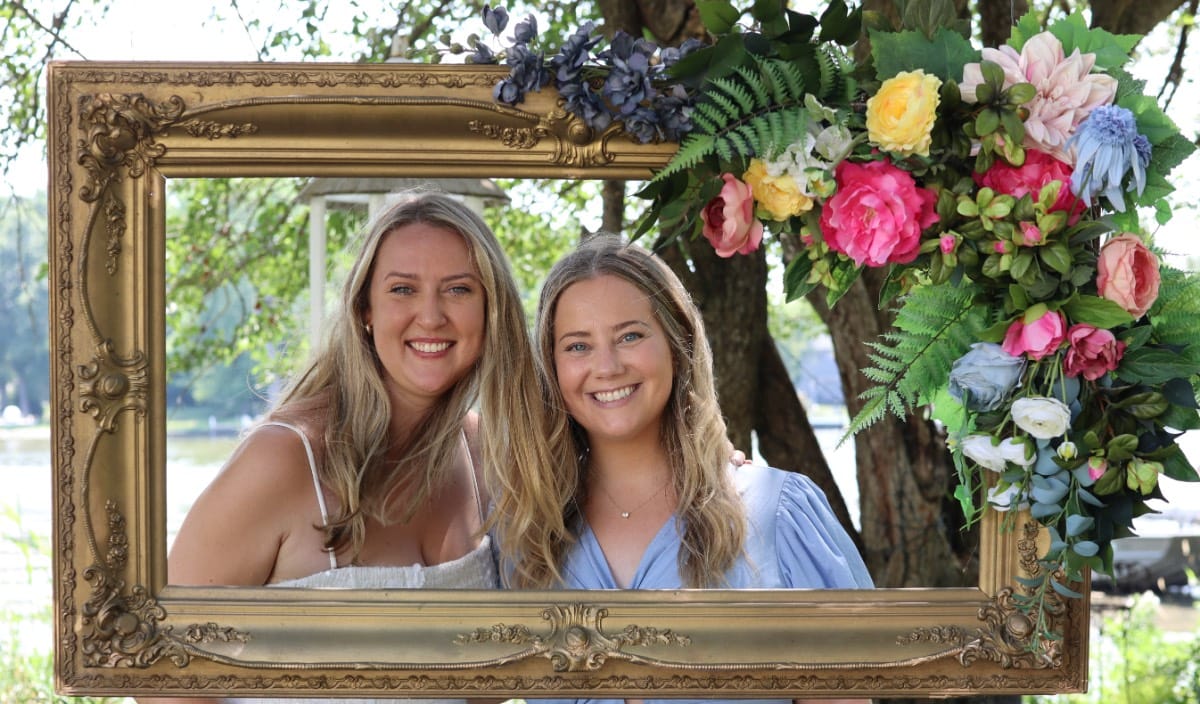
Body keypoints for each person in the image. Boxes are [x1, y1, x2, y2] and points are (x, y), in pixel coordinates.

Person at [143, 191, 552, 704]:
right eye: (403, 289)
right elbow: (164, 681)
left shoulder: (485, 453)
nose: (430, 316)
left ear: (491, 310)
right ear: (365, 309)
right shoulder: (286, 460)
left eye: (458, 290)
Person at [490, 235, 872, 704]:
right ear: (551, 367)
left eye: (630, 335)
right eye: (577, 346)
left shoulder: (776, 515)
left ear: (678, 343)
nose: (606, 366)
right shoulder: (527, 537)